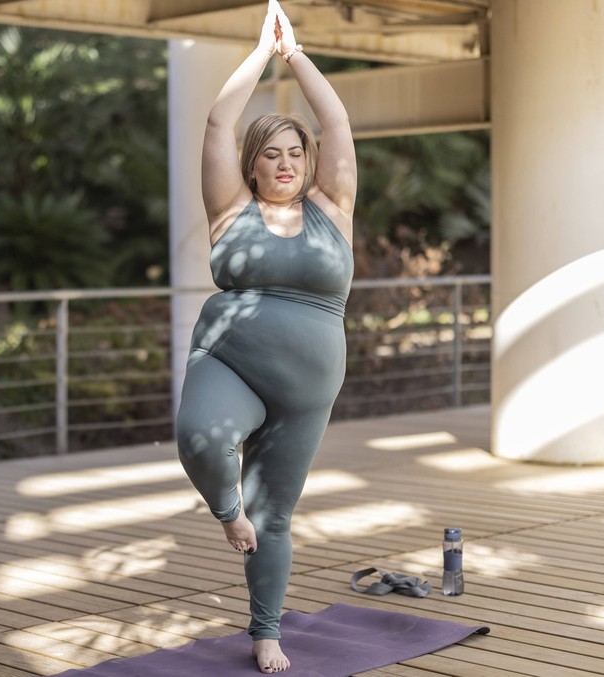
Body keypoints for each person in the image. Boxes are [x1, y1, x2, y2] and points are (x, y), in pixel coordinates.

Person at [175, 0, 356, 673]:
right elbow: (220, 120)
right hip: (232, 359)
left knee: (274, 514)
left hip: (308, 388)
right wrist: (261, 50)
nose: (284, 162)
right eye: (271, 155)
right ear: (252, 166)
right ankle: (227, 510)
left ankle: (265, 630)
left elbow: (334, 121)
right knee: (200, 434)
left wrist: (297, 55)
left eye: (294, 153)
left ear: (309, 163)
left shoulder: (332, 208)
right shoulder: (230, 211)